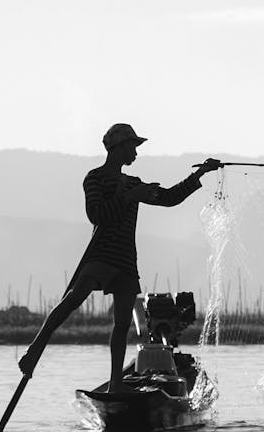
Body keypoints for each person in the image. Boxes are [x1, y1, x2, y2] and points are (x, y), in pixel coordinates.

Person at [18, 123, 220, 391]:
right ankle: (34, 350)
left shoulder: (134, 183)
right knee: (72, 301)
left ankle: (115, 384)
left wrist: (200, 174)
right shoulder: (95, 178)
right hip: (101, 254)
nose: (135, 152)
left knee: (122, 324)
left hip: (125, 260)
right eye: (132, 147)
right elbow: (98, 215)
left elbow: (169, 198)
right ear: (119, 147)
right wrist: (129, 196)